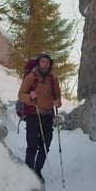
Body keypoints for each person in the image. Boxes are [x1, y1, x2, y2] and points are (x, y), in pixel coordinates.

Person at [18, 54, 62, 182]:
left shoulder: (53, 79)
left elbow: (57, 97)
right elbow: (21, 95)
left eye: (47, 62)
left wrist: (58, 102)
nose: (45, 64)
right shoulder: (31, 78)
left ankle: (37, 171)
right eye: (42, 61)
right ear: (38, 63)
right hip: (33, 114)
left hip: (47, 115)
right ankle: (28, 171)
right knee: (32, 145)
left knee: (45, 145)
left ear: (50, 64)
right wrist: (30, 96)